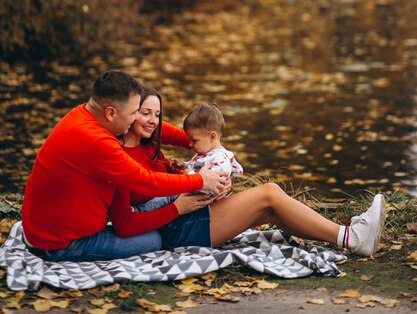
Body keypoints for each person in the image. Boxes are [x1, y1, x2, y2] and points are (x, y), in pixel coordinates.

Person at [111, 83, 386, 257]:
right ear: (129, 111)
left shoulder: (150, 140)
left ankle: (346, 236)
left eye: (156, 114)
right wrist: (183, 198)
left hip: (189, 212)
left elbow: (202, 138)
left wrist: (219, 172)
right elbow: (127, 219)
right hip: (176, 226)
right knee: (269, 193)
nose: (152, 120)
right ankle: (352, 237)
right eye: (143, 112)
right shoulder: (118, 155)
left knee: (271, 208)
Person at [21, 70, 226, 262]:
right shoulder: (98, 142)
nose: (137, 118)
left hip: (41, 230)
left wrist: (209, 148)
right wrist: (199, 180)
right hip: (59, 243)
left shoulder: (84, 114)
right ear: (111, 113)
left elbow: (159, 130)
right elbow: (145, 181)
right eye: (135, 113)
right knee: (152, 241)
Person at [183, 102, 243, 180]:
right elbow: (196, 165)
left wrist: (190, 175)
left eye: (194, 141)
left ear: (211, 137)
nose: (190, 144)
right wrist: (184, 165)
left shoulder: (220, 159)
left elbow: (212, 183)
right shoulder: (205, 152)